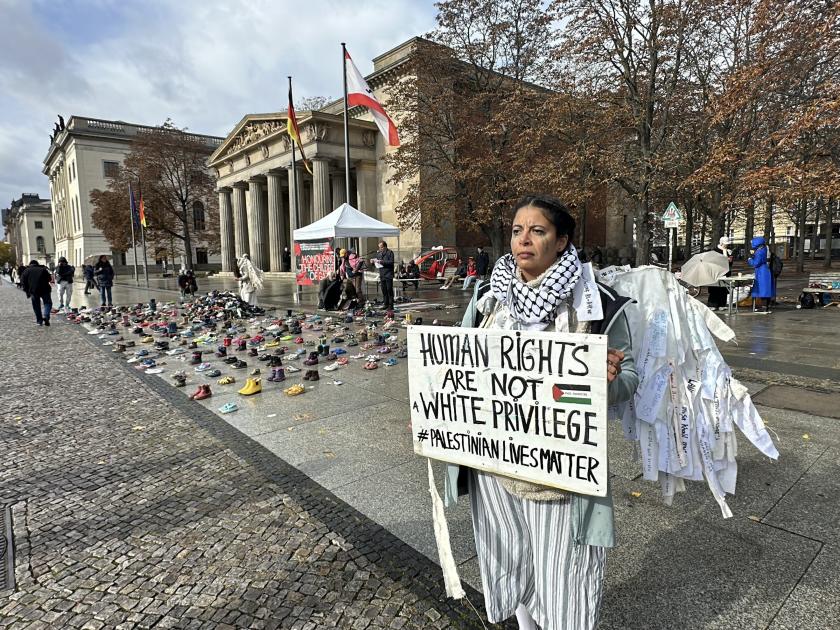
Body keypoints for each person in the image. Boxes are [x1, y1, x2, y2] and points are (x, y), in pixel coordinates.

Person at [445, 195, 638, 630]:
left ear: (562, 239)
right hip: (494, 468)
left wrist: (606, 380)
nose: (523, 240)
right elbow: (460, 366)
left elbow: (633, 380)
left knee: (564, 581)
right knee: (515, 568)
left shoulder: (599, 304)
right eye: (517, 231)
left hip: (559, 477)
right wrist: (433, 408)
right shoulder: (487, 297)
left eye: (538, 231)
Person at [21, 259, 54, 326]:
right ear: (37, 264)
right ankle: (46, 316)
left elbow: (23, 282)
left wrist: (27, 291)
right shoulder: (43, 269)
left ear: (30, 265)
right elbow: (49, 279)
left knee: (36, 306)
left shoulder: (26, 271)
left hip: (33, 291)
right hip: (45, 289)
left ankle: (39, 321)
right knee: (47, 303)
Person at [747, 236, 774, 313]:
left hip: (761, 272)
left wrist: (750, 260)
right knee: (766, 289)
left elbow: (756, 263)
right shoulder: (765, 248)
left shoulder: (759, 251)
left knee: (762, 289)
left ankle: (763, 307)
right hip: (766, 271)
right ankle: (766, 307)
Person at [707, 236, 733, 311]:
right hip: (717, 272)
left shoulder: (728, 251)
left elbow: (730, 263)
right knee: (715, 288)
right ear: (721, 243)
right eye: (725, 244)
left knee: (723, 289)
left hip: (726, 272)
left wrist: (730, 261)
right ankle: (712, 304)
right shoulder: (715, 251)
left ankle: (722, 304)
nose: (726, 245)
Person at [371, 240, 395, 312]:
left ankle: (391, 305)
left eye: (381, 247)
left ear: (385, 247)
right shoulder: (379, 254)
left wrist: (381, 261)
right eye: (379, 247)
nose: (380, 249)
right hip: (382, 274)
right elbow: (376, 263)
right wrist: (373, 262)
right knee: (384, 290)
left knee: (389, 290)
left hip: (388, 273)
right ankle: (385, 304)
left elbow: (391, 262)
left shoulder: (390, 253)